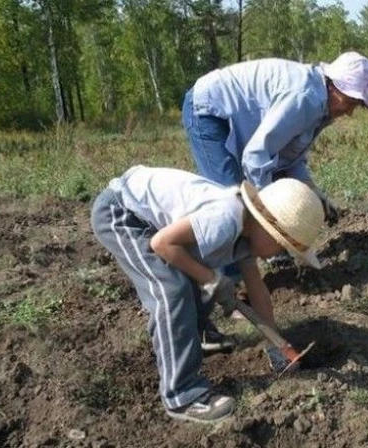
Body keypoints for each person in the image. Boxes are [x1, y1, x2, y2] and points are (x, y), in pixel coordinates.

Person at [90, 165, 325, 423]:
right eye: (281, 245)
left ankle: (196, 336)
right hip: (123, 215)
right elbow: (161, 244)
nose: (277, 254)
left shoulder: (247, 235)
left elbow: (258, 291)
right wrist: (211, 279)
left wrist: (275, 342)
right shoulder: (224, 219)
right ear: (267, 225)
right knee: (172, 290)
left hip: (156, 226)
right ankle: (182, 395)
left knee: (198, 277)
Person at [181, 50, 368, 281]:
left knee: (249, 205)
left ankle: (257, 260)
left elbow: (288, 157)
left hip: (227, 116)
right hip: (208, 110)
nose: (351, 111)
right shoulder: (305, 99)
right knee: (230, 201)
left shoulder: (322, 105)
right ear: (334, 86)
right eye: (350, 101)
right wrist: (271, 217)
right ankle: (231, 286)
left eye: (357, 104)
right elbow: (256, 157)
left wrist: (312, 191)